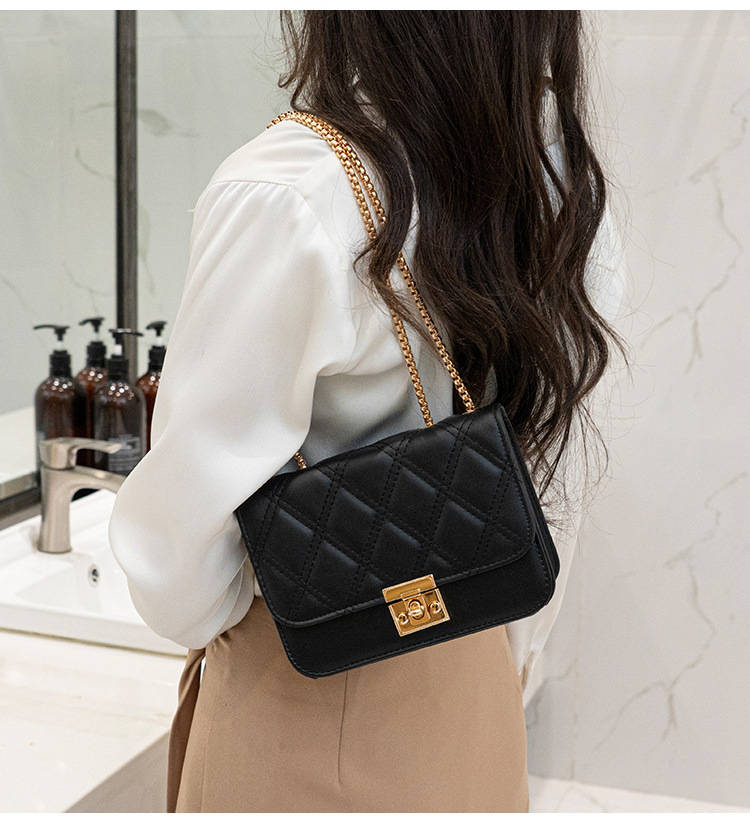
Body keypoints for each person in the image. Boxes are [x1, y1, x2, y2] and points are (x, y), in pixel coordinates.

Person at [108, 11, 626, 813]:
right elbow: (556, 481)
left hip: (309, 694)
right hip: (482, 680)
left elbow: (176, 554)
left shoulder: (295, 188)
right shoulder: (562, 186)